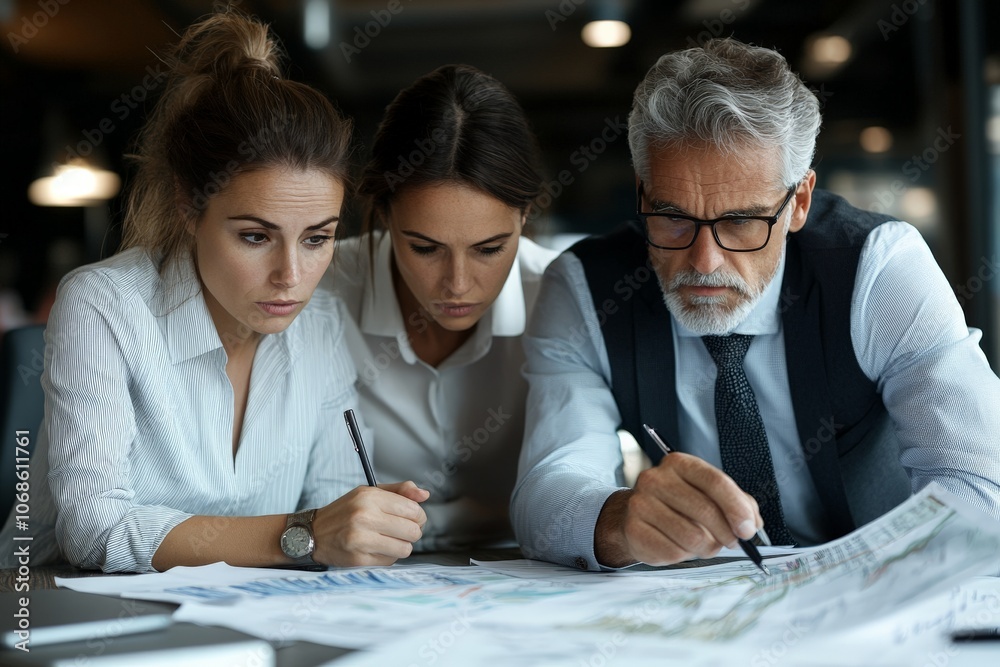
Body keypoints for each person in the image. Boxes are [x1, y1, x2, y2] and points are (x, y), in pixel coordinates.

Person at [511, 37, 1000, 570]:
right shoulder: (585, 289)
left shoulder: (877, 269)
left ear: (800, 203)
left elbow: (978, 480)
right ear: (642, 193)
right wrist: (618, 520)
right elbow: (547, 490)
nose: (704, 261)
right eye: (672, 216)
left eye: (741, 221)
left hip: (887, 590)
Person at [0, 11, 428, 573]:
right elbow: (94, 530)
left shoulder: (321, 322)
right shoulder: (103, 304)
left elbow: (334, 498)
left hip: (244, 629)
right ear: (187, 204)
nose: (292, 276)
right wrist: (304, 533)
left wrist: (365, 526)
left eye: (318, 238)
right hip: (54, 618)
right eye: (255, 236)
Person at [323, 64, 557, 551]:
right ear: (384, 214)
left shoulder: (560, 297)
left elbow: (586, 490)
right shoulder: (318, 293)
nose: (457, 284)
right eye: (425, 248)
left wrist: (425, 524)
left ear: (525, 214)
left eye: (489, 249)